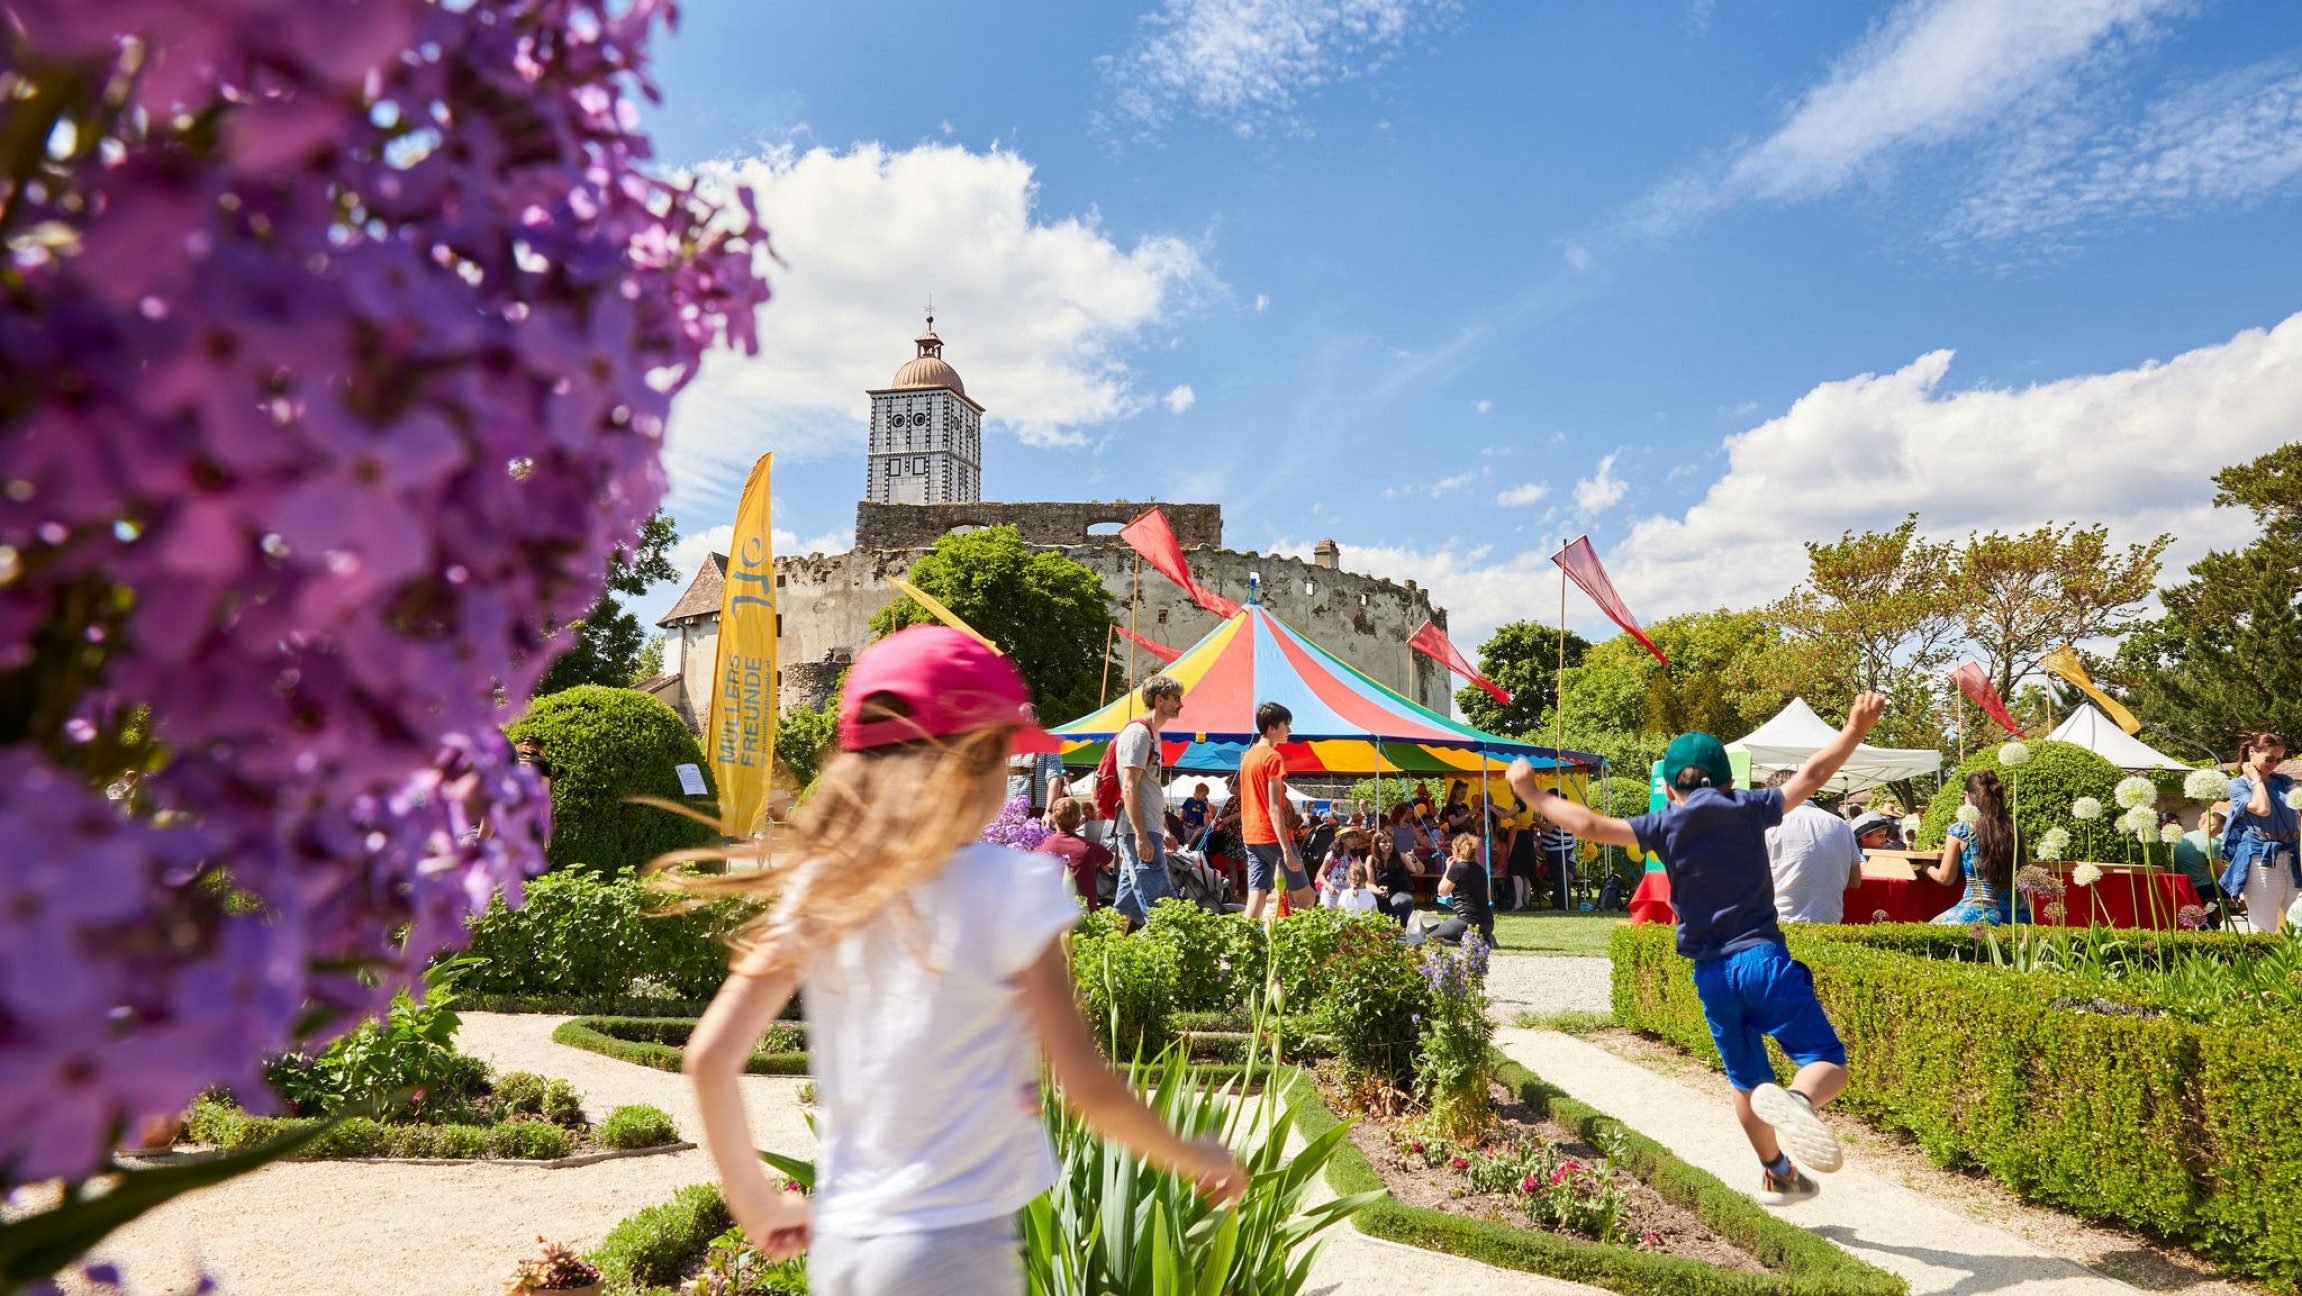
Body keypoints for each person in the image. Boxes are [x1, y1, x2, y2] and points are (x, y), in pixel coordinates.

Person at [679, 626, 1246, 1294]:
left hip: (844, 1247)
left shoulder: (824, 886)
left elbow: (710, 1058)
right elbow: (1088, 1089)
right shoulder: (1012, 886)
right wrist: (1191, 1154)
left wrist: (757, 1203)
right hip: (953, 1252)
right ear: (971, 764)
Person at [1507, 692, 1887, 1206]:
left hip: (1711, 973)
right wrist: (1853, 729)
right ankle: (1798, 1101)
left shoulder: (1662, 824)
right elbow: (1813, 777)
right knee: (1826, 1061)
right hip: (1762, 958)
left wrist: (1534, 796)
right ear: (1730, 780)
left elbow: (1591, 826)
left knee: (1747, 1080)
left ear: (1668, 787)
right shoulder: (1750, 807)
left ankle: (1777, 1171)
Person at [1112, 674, 1186, 925]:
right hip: (1138, 831)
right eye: (1176, 698)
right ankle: (1170, 958)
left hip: (1146, 828)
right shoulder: (1138, 734)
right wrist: (1143, 836)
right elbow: (1130, 787)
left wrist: (1163, 828)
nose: (1180, 704)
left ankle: (1108, 951)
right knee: (1161, 904)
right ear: (1159, 699)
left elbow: (1148, 788)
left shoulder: (1152, 733)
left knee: (1128, 904)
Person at [1239, 702, 1314, 921]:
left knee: (1257, 897)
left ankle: (1242, 948)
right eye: (1286, 725)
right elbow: (1274, 808)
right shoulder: (1273, 757)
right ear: (1272, 728)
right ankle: (1304, 948)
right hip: (1272, 835)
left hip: (1251, 835)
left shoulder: (1248, 757)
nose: (1289, 730)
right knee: (1306, 897)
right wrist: (1287, 850)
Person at [2219, 731, 2298, 933]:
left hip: (2291, 857)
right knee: (2263, 926)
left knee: (2298, 922)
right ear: (2252, 752)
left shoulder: (2284, 782)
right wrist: (2256, 779)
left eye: (2279, 760)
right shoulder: (2238, 784)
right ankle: (2260, 964)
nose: (2274, 765)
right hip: (2261, 858)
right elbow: (2263, 809)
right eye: (2270, 758)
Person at [1765, 770, 1865, 925]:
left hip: (1778, 922)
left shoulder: (1768, 825)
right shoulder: (1840, 825)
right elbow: (1854, 881)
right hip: (1829, 922)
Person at [1924, 771, 2022, 926]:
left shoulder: (1960, 830)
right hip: (2017, 914)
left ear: (1967, 796)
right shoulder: (2015, 829)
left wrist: (1926, 867)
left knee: (1931, 930)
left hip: (1976, 912)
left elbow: (1945, 878)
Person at [1036, 796, 1113, 912]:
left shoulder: (1041, 847)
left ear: (1054, 819)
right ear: (1078, 821)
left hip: (1051, 914)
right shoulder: (1090, 847)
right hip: (1084, 915)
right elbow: (1118, 862)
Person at [1429, 832, 1494, 947]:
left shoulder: (1457, 868)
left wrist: (1448, 869)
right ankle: (1484, 939)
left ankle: (1470, 942)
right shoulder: (1481, 870)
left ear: (1456, 851)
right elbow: (1487, 897)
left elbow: (1442, 891)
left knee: (1431, 938)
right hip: (1488, 923)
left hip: (1467, 921)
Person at [1366, 831, 1420, 926]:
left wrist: (1414, 859)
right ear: (1377, 844)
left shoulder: (1401, 856)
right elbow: (1369, 883)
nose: (1388, 844)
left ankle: (1406, 928)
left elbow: (1419, 870)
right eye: (1384, 841)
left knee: (1405, 901)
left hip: (1399, 892)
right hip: (1379, 892)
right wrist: (1378, 891)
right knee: (1370, 900)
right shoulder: (1371, 859)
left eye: (1390, 841)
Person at [1317, 827, 1367, 905]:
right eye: (1351, 837)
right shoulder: (1332, 855)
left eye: (1356, 836)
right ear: (1343, 839)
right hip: (1330, 894)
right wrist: (1329, 887)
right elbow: (1320, 875)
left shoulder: (1356, 857)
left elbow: (1360, 876)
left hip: (1347, 894)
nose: (1355, 840)